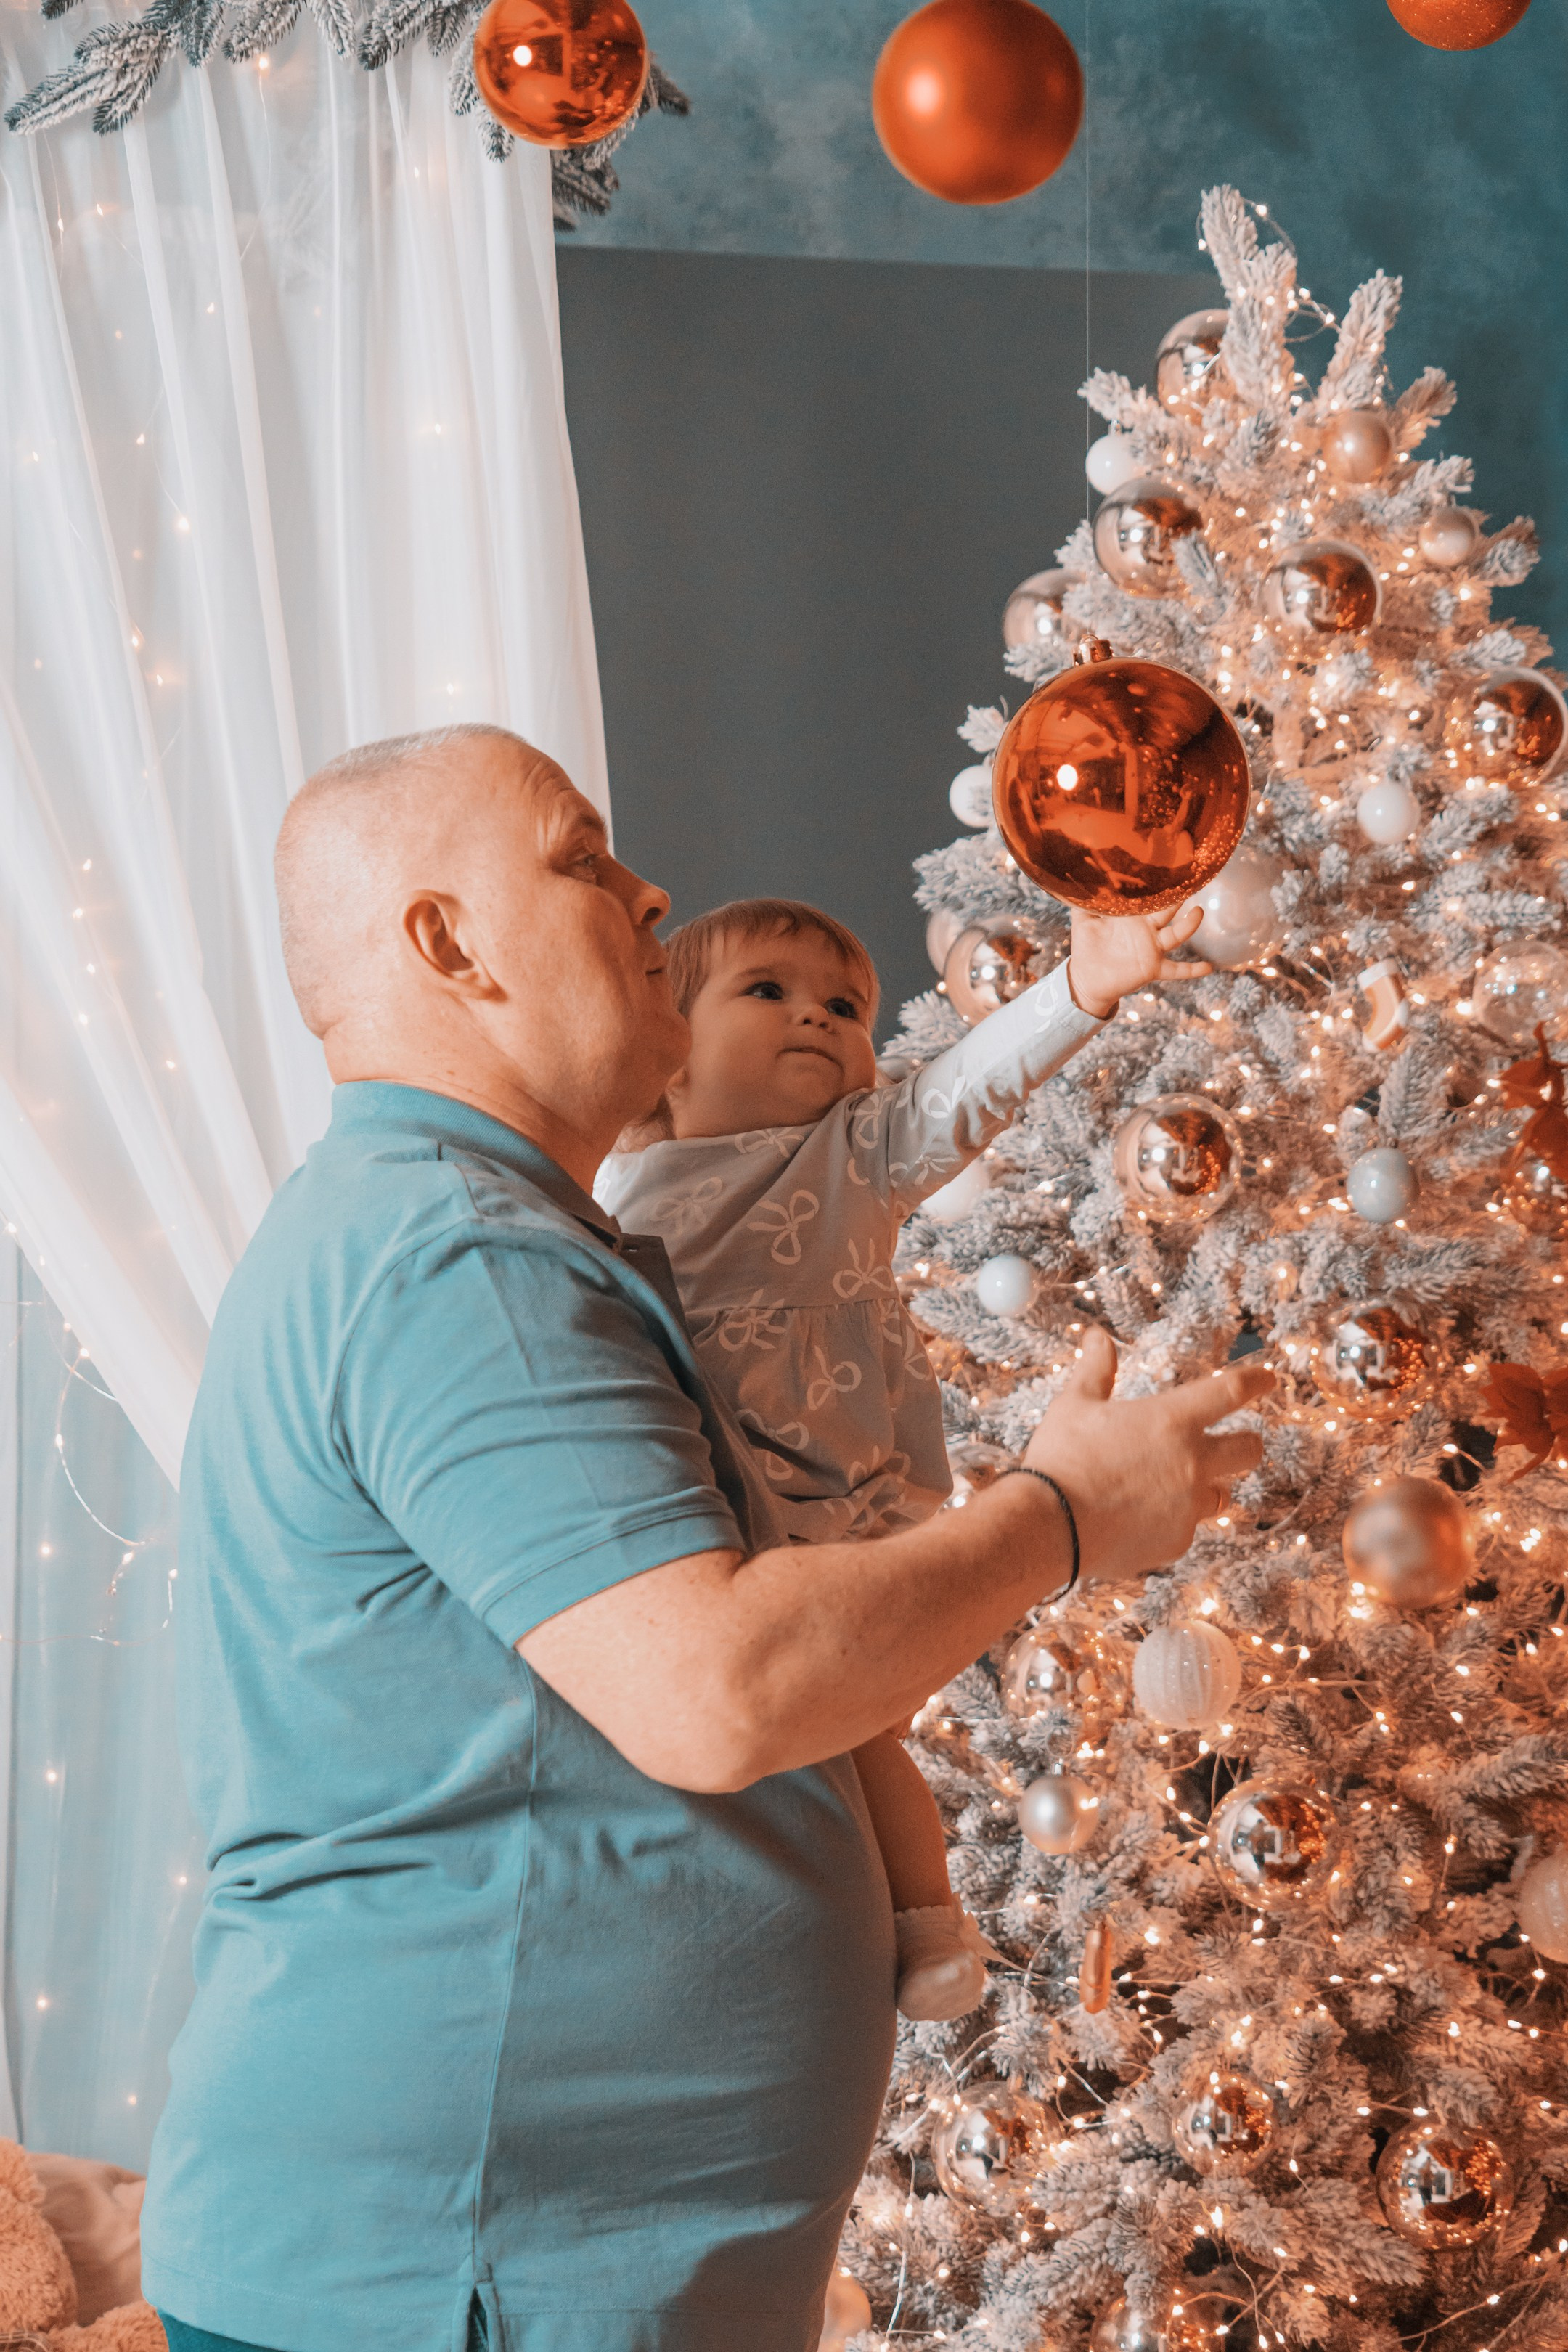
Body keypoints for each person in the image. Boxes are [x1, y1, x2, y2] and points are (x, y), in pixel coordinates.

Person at [139, 723, 1270, 2352]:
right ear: (447, 941)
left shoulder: (489, 1233)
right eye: (578, 856)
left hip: (524, 2274)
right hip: (460, 2282)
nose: (647, 883)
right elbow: (718, 1690)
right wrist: (1067, 1516)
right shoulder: (458, 1262)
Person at [596, 896, 1211, 2022]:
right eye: (767, 991)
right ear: (665, 1053)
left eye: (845, 1006)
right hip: (697, 1504)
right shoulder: (607, 1193)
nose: (818, 1019)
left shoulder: (851, 1154)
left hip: (840, 1504)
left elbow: (959, 1093)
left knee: (861, 1729)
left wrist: (1085, 986)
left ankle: (928, 1921)